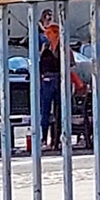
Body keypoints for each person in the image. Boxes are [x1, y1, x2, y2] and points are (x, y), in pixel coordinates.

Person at [35, 12, 65, 150]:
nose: (47, 36)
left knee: (59, 111)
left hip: (58, 79)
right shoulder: (45, 48)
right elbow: (40, 63)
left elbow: (68, 64)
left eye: (50, 33)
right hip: (47, 80)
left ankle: (57, 139)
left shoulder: (62, 48)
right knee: (45, 111)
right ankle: (43, 138)